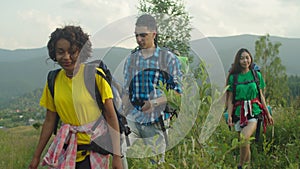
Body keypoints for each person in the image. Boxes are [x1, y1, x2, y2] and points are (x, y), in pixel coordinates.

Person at [28, 25, 122, 169]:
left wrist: (117, 156)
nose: (66, 57)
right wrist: (36, 156)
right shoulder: (54, 80)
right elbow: (49, 121)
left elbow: (111, 117)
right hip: (66, 150)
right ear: (54, 53)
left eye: (72, 52)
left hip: (94, 151)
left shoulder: (94, 77)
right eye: (61, 52)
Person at [122, 14, 182, 163]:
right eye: (136, 35)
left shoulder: (168, 59)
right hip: (133, 118)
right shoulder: (131, 59)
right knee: (119, 152)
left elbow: (177, 93)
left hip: (157, 120)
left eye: (143, 35)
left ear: (154, 33)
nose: (139, 39)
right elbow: (126, 91)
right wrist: (120, 113)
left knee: (155, 163)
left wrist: (154, 103)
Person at [226, 48, 274, 169]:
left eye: (247, 57)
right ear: (238, 61)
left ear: (250, 59)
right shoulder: (233, 78)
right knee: (245, 143)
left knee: (244, 137)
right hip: (239, 113)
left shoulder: (256, 75)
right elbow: (231, 99)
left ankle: (240, 166)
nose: (245, 60)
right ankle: (248, 166)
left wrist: (267, 114)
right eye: (242, 58)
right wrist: (230, 115)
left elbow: (261, 96)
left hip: (254, 111)